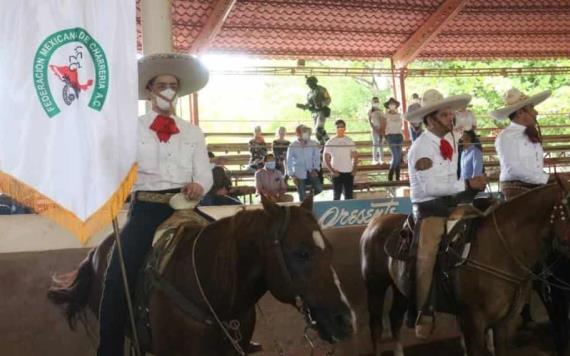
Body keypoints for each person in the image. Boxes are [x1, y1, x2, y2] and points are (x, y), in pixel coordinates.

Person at [97, 53, 213, 356]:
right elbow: (114, 164)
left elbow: (204, 171)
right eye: (161, 84)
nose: (168, 90)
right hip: (147, 207)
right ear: (150, 90)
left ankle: (233, 330)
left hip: (185, 206)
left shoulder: (192, 132)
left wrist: (200, 184)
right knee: (119, 272)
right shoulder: (131, 128)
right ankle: (109, 349)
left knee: (229, 250)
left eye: (173, 85)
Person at [405, 89, 487, 339]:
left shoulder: (451, 138)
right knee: (427, 253)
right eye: (444, 114)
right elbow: (430, 188)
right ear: (430, 120)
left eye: (450, 113)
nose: (451, 118)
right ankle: (424, 310)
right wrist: (468, 185)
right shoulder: (421, 148)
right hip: (430, 208)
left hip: (453, 202)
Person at [491, 88, 553, 201]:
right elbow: (514, 170)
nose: (536, 112)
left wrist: (545, 178)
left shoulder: (529, 133)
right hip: (516, 187)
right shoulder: (506, 137)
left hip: (533, 185)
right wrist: (547, 178)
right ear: (520, 112)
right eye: (532, 108)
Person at [286, 124, 323, 201]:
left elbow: (316, 157)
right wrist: (292, 175)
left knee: (319, 188)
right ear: (299, 133)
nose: (306, 134)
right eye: (304, 132)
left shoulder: (313, 143)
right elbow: (288, 161)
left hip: (311, 170)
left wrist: (315, 169)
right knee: (302, 195)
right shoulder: (292, 145)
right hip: (299, 172)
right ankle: (305, 202)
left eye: (308, 132)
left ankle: (308, 197)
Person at [323, 120, 358, 200]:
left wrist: (354, 169)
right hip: (336, 172)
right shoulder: (330, 142)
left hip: (349, 172)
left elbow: (355, 156)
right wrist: (332, 170)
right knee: (336, 196)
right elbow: (326, 157)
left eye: (342, 127)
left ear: (345, 128)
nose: (340, 128)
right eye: (338, 127)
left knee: (349, 196)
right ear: (335, 128)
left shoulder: (349, 141)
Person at [296, 76, 331, 145]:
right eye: (308, 84)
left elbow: (328, 99)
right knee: (317, 132)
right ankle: (322, 145)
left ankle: (328, 141)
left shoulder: (322, 89)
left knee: (319, 128)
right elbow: (308, 104)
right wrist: (303, 106)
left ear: (314, 82)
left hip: (321, 112)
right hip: (314, 113)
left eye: (310, 83)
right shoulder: (309, 93)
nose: (309, 85)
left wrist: (322, 104)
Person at [384, 97, 404, 181]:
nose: (392, 105)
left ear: (396, 105)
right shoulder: (385, 115)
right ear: (388, 106)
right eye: (390, 104)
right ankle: (390, 175)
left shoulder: (399, 115)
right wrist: (384, 137)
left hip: (399, 136)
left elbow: (401, 126)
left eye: (393, 104)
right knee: (395, 156)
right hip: (390, 136)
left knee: (398, 157)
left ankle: (398, 177)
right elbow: (382, 127)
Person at [368, 96, 385, 165]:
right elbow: (370, 122)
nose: (376, 102)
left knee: (381, 144)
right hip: (374, 129)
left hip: (381, 129)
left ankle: (382, 160)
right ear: (372, 102)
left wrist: (382, 130)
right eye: (374, 101)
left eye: (377, 101)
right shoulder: (370, 111)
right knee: (375, 144)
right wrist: (375, 129)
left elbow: (383, 120)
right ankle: (375, 160)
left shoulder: (381, 111)